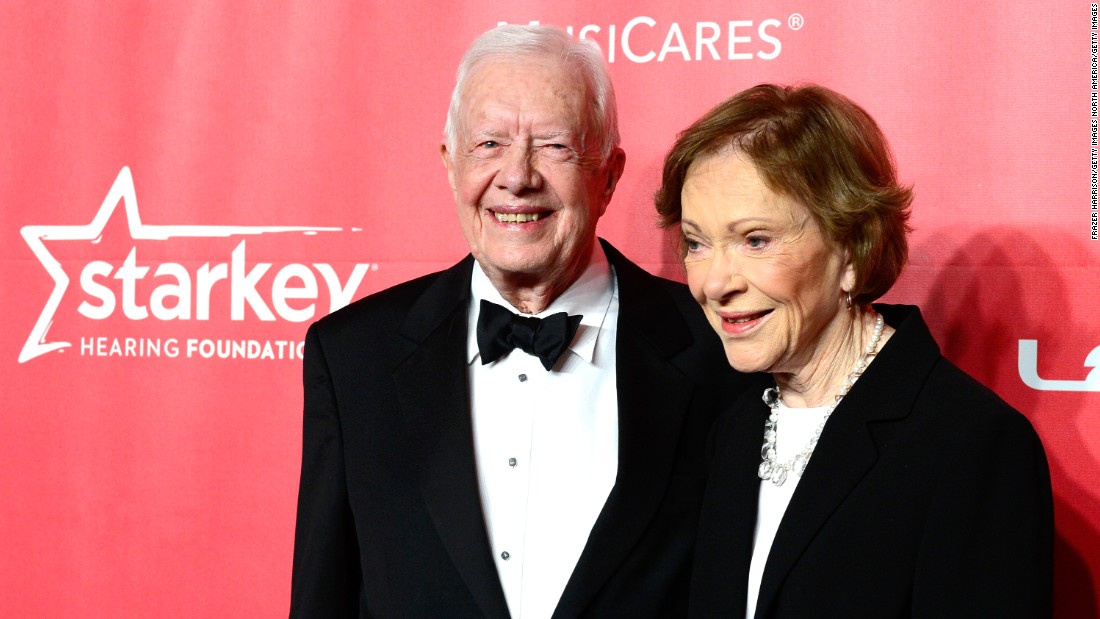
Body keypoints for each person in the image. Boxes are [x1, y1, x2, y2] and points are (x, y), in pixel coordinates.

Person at [289, 25, 751, 618]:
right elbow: (324, 595)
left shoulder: (719, 346)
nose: (517, 176)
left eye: (554, 145)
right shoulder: (353, 356)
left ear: (609, 176)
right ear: (451, 165)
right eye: (488, 145)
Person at [654, 84, 1054, 618]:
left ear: (852, 250)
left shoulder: (970, 444)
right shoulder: (733, 429)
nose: (714, 283)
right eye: (697, 243)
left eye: (755, 240)